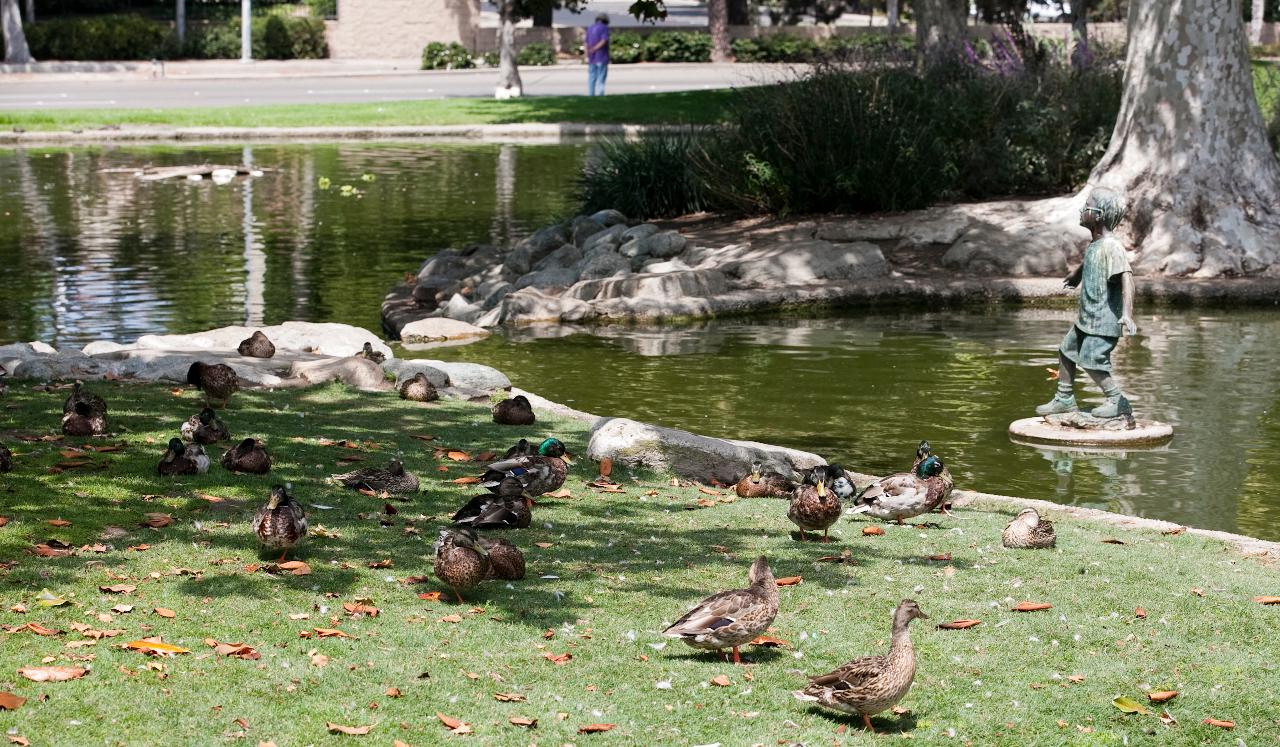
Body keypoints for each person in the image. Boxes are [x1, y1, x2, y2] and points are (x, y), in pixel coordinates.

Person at [1036, 186, 1138, 420]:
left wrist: (1127, 314)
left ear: (1098, 215)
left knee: (1092, 360)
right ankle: (1064, 398)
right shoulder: (1095, 245)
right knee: (1066, 351)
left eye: (1087, 206)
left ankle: (1117, 401)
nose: (1082, 210)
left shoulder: (1113, 247)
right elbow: (1089, 263)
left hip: (1103, 322)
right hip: (1086, 319)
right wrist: (1076, 276)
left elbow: (1128, 280)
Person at [585, 14, 610, 96]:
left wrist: (586, 55)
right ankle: (601, 94)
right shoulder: (604, 28)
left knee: (592, 77)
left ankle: (591, 94)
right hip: (602, 57)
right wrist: (595, 48)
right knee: (601, 78)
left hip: (592, 57)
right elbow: (604, 40)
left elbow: (586, 43)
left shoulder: (590, 28)